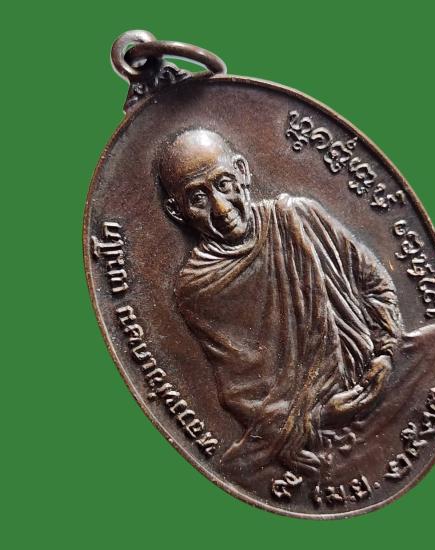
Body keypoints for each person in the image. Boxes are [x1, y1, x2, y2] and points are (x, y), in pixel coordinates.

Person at [156, 129, 402, 474]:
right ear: (177, 211)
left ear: (242, 171)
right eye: (198, 198)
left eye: (224, 183)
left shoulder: (299, 217)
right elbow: (243, 393)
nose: (221, 208)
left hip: (377, 376)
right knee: (240, 468)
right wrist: (320, 415)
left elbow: (374, 283)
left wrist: (386, 353)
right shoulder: (199, 289)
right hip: (311, 426)